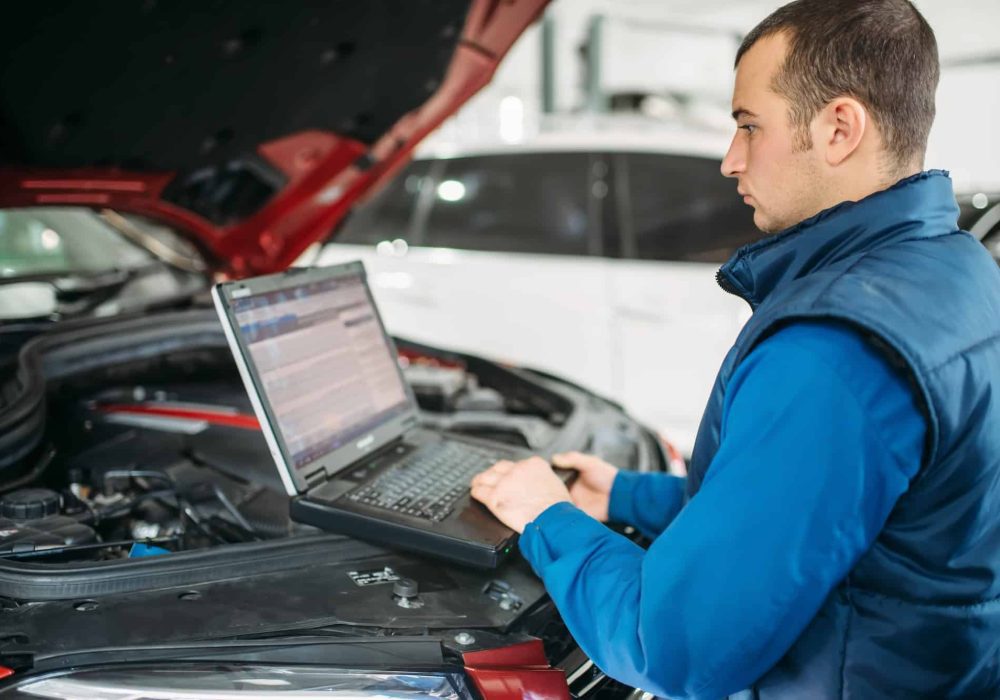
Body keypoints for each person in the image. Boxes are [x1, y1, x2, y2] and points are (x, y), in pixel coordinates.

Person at [470, 0, 1000, 697]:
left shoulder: (835, 353)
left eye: (749, 126)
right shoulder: (958, 269)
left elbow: (671, 649)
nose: (730, 160)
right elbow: (841, 514)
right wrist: (628, 494)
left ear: (839, 128)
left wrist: (547, 517)